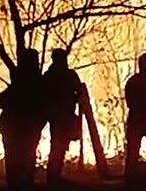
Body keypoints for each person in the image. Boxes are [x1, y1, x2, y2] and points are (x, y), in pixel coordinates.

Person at [0, 48, 46, 191]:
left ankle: (15, 183)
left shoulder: (18, 79)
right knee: (27, 153)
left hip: (15, 124)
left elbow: (3, 101)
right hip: (27, 124)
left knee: (14, 154)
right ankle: (25, 181)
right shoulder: (38, 81)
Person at [43, 48, 83, 190]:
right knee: (59, 146)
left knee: (57, 145)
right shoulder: (69, 75)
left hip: (56, 117)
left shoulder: (48, 75)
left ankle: (53, 176)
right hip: (63, 116)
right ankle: (53, 177)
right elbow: (79, 90)